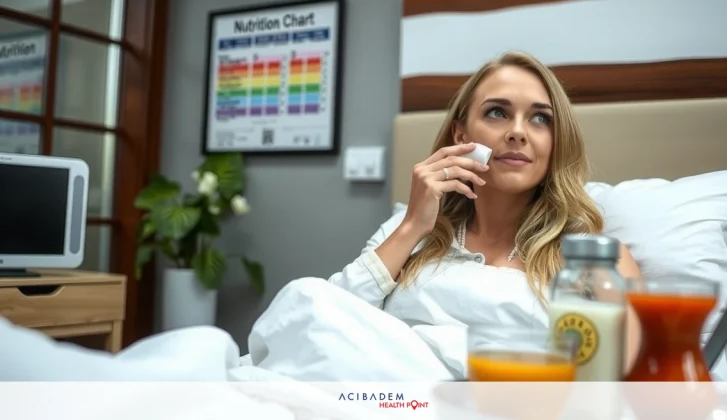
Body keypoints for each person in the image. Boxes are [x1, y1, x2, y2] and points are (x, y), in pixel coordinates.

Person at [246, 51, 641, 381]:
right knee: (288, 303)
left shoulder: (593, 260)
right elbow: (320, 322)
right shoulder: (411, 230)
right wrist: (414, 224)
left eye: (540, 118)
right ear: (460, 136)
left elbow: (621, 380)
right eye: (497, 113)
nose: (518, 132)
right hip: (371, 392)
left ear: (555, 142)